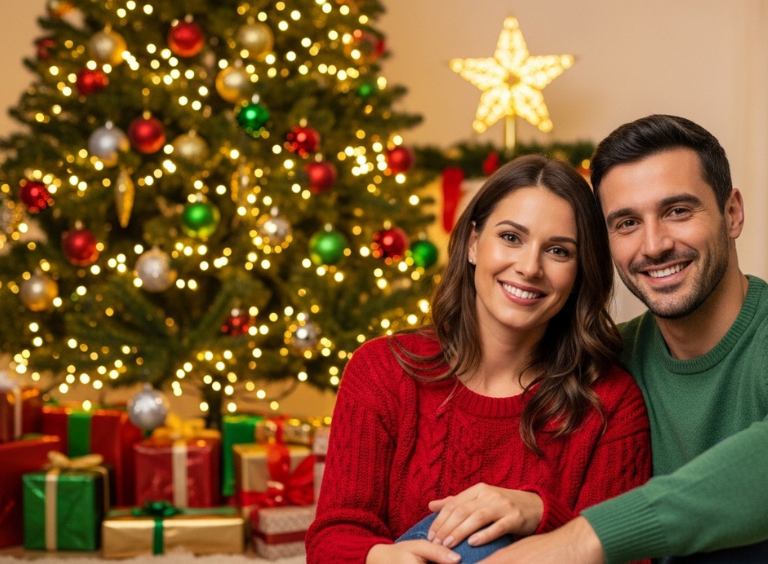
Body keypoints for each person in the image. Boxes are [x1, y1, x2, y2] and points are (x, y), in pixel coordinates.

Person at [305, 154, 652, 564]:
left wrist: (538, 513)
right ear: (472, 242)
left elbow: (627, 556)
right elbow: (332, 538)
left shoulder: (611, 402)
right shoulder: (381, 370)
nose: (528, 267)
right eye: (511, 237)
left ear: (580, 273)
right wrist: (381, 558)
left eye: (558, 251)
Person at [479, 114, 768, 564]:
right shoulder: (607, 362)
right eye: (627, 223)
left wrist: (582, 540)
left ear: (732, 213)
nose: (653, 246)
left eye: (677, 211)